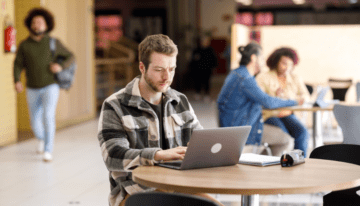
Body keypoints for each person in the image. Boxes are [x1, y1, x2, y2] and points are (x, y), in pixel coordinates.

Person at [97, 34, 223, 206]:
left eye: (171, 69)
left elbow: (200, 141)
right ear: (142, 67)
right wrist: (157, 155)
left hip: (180, 187)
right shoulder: (115, 105)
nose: (167, 77)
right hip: (136, 192)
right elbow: (113, 156)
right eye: (159, 70)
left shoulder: (180, 101)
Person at [217, 42, 302, 154]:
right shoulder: (245, 79)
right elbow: (268, 102)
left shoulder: (238, 73)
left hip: (238, 124)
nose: (263, 63)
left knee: (285, 135)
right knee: (286, 140)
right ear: (254, 58)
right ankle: (266, 164)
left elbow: (262, 99)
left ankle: (265, 163)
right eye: (261, 58)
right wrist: (294, 102)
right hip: (241, 129)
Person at [13, 8, 74, 162]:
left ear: (47, 25)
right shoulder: (24, 45)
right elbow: (17, 64)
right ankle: (41, 138)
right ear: (30, 25)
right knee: (34, 121)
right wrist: (16, 80)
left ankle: (48, 149)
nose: (37, 25)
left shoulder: (53, 43)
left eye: (40, 22)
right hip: (32, 87)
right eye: (34, 22)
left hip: (50, 86)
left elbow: (70, 56)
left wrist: (60, 67)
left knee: (48, 116)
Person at [256, 47, 310, 156]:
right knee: (284, 136)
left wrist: (289, 98)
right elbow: (260, 99)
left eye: (290, 65)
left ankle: (298, 160)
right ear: (276, 62)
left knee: (303, 133)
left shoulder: (295, 78)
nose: (287, 67)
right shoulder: (263, 77)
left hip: (288, 114)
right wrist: (276, 97)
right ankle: (278, 162)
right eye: (284, 63)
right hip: (270, 115)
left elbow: (306, 96)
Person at [190, 36, 218, 102]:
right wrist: (192, 68)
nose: (204, 43)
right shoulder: (196, 50)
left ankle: (206, 95)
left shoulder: (210, 50)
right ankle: (198, 93)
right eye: (203, 41)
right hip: (198, 69)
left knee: (207, 82)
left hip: (207, 69)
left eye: (206, 41)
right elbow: (192, 60)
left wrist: (214, 67)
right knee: (197, 82)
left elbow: (214, 59)